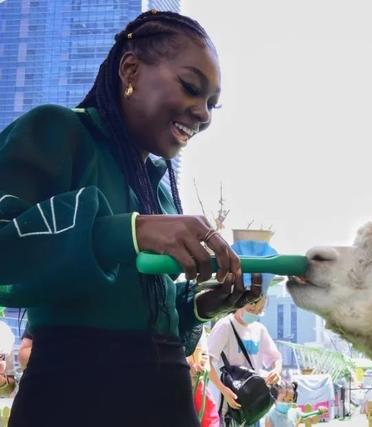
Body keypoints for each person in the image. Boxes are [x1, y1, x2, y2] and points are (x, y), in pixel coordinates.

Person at [0, 10, 260, 427]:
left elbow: (142, 315)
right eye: (192, 88)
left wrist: (201, 304)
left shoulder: (159, 191)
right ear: (130, 69)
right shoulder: (55, 132)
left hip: (168, 402)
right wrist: (131, 231)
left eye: (212, 104)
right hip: (74, 398)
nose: (204, 114)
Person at [208, 288, 282, 426]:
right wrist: (224, 390)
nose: (255, 314)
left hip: (253, 405)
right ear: (240, 302)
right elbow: (208, 362)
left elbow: (275, 358)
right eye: (251, 309)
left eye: (260, 311)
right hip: (229, 407)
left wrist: (276, 370)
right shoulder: (225, 326)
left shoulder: (259, 329)